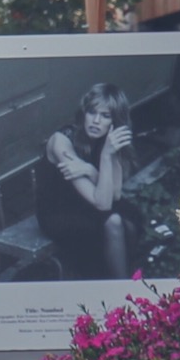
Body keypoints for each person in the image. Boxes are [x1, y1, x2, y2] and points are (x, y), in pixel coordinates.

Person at [37, 82, 138, 280]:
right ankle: (122, 284)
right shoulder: (62, 142)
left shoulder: (106, 141)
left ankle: (126, 273)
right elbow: (103, 203)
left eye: (106, 116)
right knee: (114, 221)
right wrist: (105, 157)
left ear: (114, 122)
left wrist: (91, 170)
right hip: (58, 211)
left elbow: (115, 193)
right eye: (92, 112)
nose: (96, 121)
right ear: (84, 113)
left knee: (129, 221)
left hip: (86, 201)